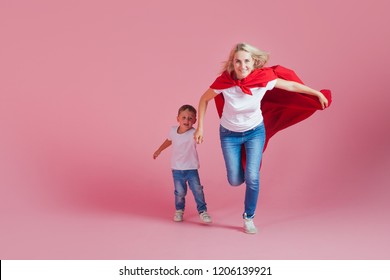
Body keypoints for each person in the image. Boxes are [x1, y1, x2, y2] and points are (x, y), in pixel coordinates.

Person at [194, 43, 330, 234]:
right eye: (238, 61)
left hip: (255, 132)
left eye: (247, 61)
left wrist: (316, 93)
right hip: (229, 135)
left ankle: (248, 217)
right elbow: (203, 99)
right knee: (234, 180)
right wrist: (200, 127)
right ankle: (245, 168)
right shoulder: (224, 82)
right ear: (233, 63)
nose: (243, 66)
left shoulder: (263, 79)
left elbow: (290, 85)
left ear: (254, 62)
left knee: (253, 177)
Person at [153, 104, 212, 223]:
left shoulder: (194, 133)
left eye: (190, 118)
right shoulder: (173, 131)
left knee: (197, 190)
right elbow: (168, 141)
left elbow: (199, 138)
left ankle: (203, 211)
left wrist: (200, 136)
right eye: (184, 117)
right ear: (178, 118)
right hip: (177, 169)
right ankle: (179, 210)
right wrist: (159, 150)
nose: (187, 120)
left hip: (191, 169)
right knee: (179, 192)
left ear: (195, 121)